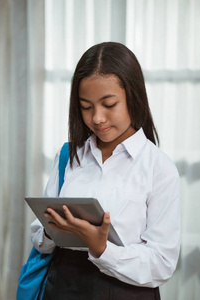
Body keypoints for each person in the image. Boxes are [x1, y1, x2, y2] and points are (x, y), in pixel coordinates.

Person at [30, 42, 180, 300]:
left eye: (109, 104)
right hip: (62, 289)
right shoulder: (69, 156)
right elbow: (39, 239)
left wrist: (102, 249)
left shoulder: (159, 168)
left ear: (134, 97)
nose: (97, 118)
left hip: (126, 293)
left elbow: (161, 263)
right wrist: (50, 228)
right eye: (86, 107)